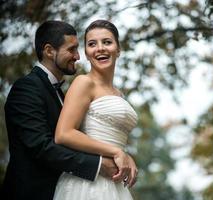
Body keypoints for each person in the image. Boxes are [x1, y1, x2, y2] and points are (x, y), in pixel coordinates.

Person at [1, 20, 131, 200]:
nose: (78, 56)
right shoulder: (27, 88)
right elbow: (41, 146)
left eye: (78, 49)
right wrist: (98, 164)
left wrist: (121, 154)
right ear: (49, 51)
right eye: (72, 50)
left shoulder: (61, 93)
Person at [53, 19, 138, 200]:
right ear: (86, 52)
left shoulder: (119, 93)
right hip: (87, 184)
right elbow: (63, 133)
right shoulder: (84, 83)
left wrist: (125, 155)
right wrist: (116, 152)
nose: (100, 48)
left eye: (107, 42)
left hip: (115, 184)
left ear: (118, 49)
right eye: (92, 44)